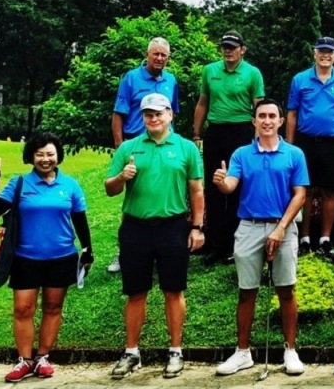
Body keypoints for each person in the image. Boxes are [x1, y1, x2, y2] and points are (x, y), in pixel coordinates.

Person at [105, 93, 205, 380]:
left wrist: (197, 227)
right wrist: (122, 177)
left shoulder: (186, 148)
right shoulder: (129, 148)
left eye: (159, 113)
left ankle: (175, 350)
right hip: (135, 227)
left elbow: (197, 190)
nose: (153, 118)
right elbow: (110, 188)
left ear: (170, 115)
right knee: (135, 291)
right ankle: (131, 352)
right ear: (143, 117)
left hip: (173, 226)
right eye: (148, 114)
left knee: (173, 290)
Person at [0, 133, 93, 383]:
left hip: (62, 256)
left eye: (50, 154)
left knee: (53, 307)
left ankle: (43, 357)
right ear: (31, 157)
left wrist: (88, 248)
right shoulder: (19, 183)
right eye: (39, 154)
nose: (45, 159)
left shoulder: (70, 185)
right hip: (25, 257)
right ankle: (25, 360)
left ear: (58, 156)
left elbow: (80, 219)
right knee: (23, 309)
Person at [212, 99, 309, 377]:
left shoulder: (294, 154)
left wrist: (280, 228)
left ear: (280, 121)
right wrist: (222, 182)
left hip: (283, 227)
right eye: (261, 116)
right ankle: (243, 353)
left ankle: (290, 351)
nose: (267, 121)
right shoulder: (242, 154)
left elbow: (300, 195)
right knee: (246, 291)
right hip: (249, 227)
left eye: (272, 116)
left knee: (286, 289)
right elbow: (231, 185)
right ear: (254, 121)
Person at [108, 37, 181, 274]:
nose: (159, 58)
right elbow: (119, 113)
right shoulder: (131, 78)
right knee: (134, 199)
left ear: (168, 58)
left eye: (164, 55)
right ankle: (124, 251)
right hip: (136, 145)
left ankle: (163, 250)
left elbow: (173, 112)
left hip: (164, 145)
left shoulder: (171, 80)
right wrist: (120, 146)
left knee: (163, 195)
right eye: (155, 54)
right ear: (147, 54)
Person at [193, 30, 265, 266]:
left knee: (237, 187)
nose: (228, 51)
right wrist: (197, 134)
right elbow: (203, 103)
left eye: (233, 47)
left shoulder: (252, 73)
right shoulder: (210, 70)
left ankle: (235, 244)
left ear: (242, 50)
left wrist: (258, 140)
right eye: (225, 46)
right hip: (216, 132)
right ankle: (215, 244)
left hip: (241, 132)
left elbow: (259, 107)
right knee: (214, 186)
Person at [286, 36, 334, 260]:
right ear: (315, 53)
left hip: (332, 143)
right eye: (321, 51)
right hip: (306, 142)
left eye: (329, 52)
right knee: (305, 191)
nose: (325, 55)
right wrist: (289, 145)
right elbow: (292, 114)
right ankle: (304, 238)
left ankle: (325, 240)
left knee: (329, 192)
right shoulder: (300, 79)